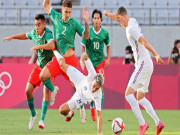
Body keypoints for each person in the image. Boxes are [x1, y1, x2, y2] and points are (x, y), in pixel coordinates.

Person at [104, 7, 165, 135]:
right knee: (140, 97)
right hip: (147, 64)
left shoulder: (131, 29)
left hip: (143, 64)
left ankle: (143, 124)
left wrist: (156, 54)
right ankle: (158, 122)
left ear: (121, 18)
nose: (119, 23)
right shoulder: (132, 20)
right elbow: (118, 16)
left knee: (128, 94)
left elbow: (144, 41)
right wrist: (108, 14)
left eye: (118, 20)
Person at [2, 14, 56, 130]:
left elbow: (52, 44)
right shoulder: (34, 33)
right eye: (35, 25)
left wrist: (38, 47)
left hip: (49, 67)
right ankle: (33, 114)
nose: (37, 27)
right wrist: (12, 36)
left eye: (39, 25)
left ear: (44, 24)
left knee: (45, 91)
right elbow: (25, 35)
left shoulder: (47, 34)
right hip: (39, 66)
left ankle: (42, 119)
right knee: (28, 90)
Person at [41, 0, 89, 106]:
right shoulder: (55, 16)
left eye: (69, 12)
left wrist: (86, 21)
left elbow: (86, 36)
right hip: (58, 58)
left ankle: (81, 107)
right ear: (62, 10)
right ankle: (54, 89)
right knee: (42, 76)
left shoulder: (74, 23)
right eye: (66, 11)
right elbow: (45, 5)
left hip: (70, 59)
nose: (67, 14)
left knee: (76, 87)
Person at [56, 52, 104, 135]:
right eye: (94, 86)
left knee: (62, 110)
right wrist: (82, 58)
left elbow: (99, 115)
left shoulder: (98, 95)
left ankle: (77, 109)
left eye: (97, 88)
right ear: (93, 80)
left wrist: (99, 132)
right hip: (80, 79)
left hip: (81, 98)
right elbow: (85, 56)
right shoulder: (93, 74)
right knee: (62, 65)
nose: (94, 89)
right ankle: (54, 50)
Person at [81, 9, 111, 123]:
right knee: (91, 87)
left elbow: (108, 45)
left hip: (99, 63)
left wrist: (108, 59)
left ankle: (98, 111)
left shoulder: (105, 33)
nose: (96, 20)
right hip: (90, 63)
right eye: (95, 18)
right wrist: (83, 60)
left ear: (101, 19)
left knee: (100, 86)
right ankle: (92, 106)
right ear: (92, 20)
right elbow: (83, 45)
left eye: (98, 18)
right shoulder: (88, 32)